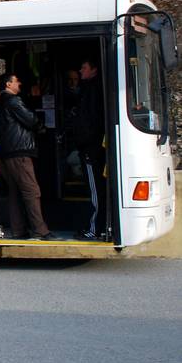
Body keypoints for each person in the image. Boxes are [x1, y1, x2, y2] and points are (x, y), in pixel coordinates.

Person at [0, 73, 57, 240]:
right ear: (8, 84)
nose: (20, 83)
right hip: (19, 152)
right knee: (32, 191)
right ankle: (41, 230)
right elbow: (31, 120)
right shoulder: (13, 101)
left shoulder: (2, 101)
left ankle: (19, 230)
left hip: (8, 153)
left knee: (15, 192)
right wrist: (42, 127)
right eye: (16, 81)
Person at [74, 59, 105, 240]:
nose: (80, 71)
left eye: (84, 67)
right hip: (94, 146)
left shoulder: (91, 91)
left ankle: (95, 229)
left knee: (95, 190)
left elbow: (89, 121)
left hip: (91, 149)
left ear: (94, 70)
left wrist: (83, 144)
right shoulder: (93, 89)